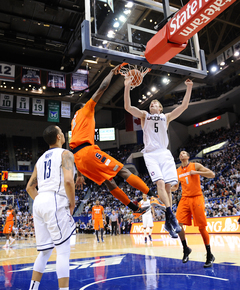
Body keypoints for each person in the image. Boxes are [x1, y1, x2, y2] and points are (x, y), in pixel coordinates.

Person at [70, 66, 157, 218]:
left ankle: (134, 209)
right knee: (122, 171)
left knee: (109, 182)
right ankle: (153, 196)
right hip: (88, 152)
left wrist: (79, 174)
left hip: (79, 160)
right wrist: (111, 73)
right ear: (82, 107)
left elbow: (77, 148)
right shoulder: (85, 110)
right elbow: (102, 88)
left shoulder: (74, 123)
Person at [124, 77, 193, 238]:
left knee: (169, 187)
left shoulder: (166, 117)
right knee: (160, 183)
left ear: (160, 108)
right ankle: (171, 217)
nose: (152, 105)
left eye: (155, 104)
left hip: (164, 152)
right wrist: (127, 86)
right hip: (150, 154)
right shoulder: (144, 116)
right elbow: (128, 107)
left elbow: (184, 106)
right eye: (151, 104)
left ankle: (169, 222)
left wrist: (188, 87)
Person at [26, 125, 76, 290]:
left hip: (39, 202)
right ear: (59, 137)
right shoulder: (66, 154)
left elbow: (29, 188)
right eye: (62, 132)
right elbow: (69, 181)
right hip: (55, 200)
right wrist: (72, 203)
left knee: (45, 252)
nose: (63, 134)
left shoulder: (40, 160)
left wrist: (42, 201)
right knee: (62, 252)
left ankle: (33, 288)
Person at [171, 150, 215, 268]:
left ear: (188, 156)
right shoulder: (177, 171)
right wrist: (165, 189)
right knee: (177, 225)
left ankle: (209, 254)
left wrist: (196, 172)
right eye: (180, 153)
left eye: (184, 153)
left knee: (201, 227)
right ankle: (185, 248)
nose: (182, 154)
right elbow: (175, 187)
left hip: (197, 198)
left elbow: (212, 174)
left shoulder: (195, 165)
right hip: (185, 199)